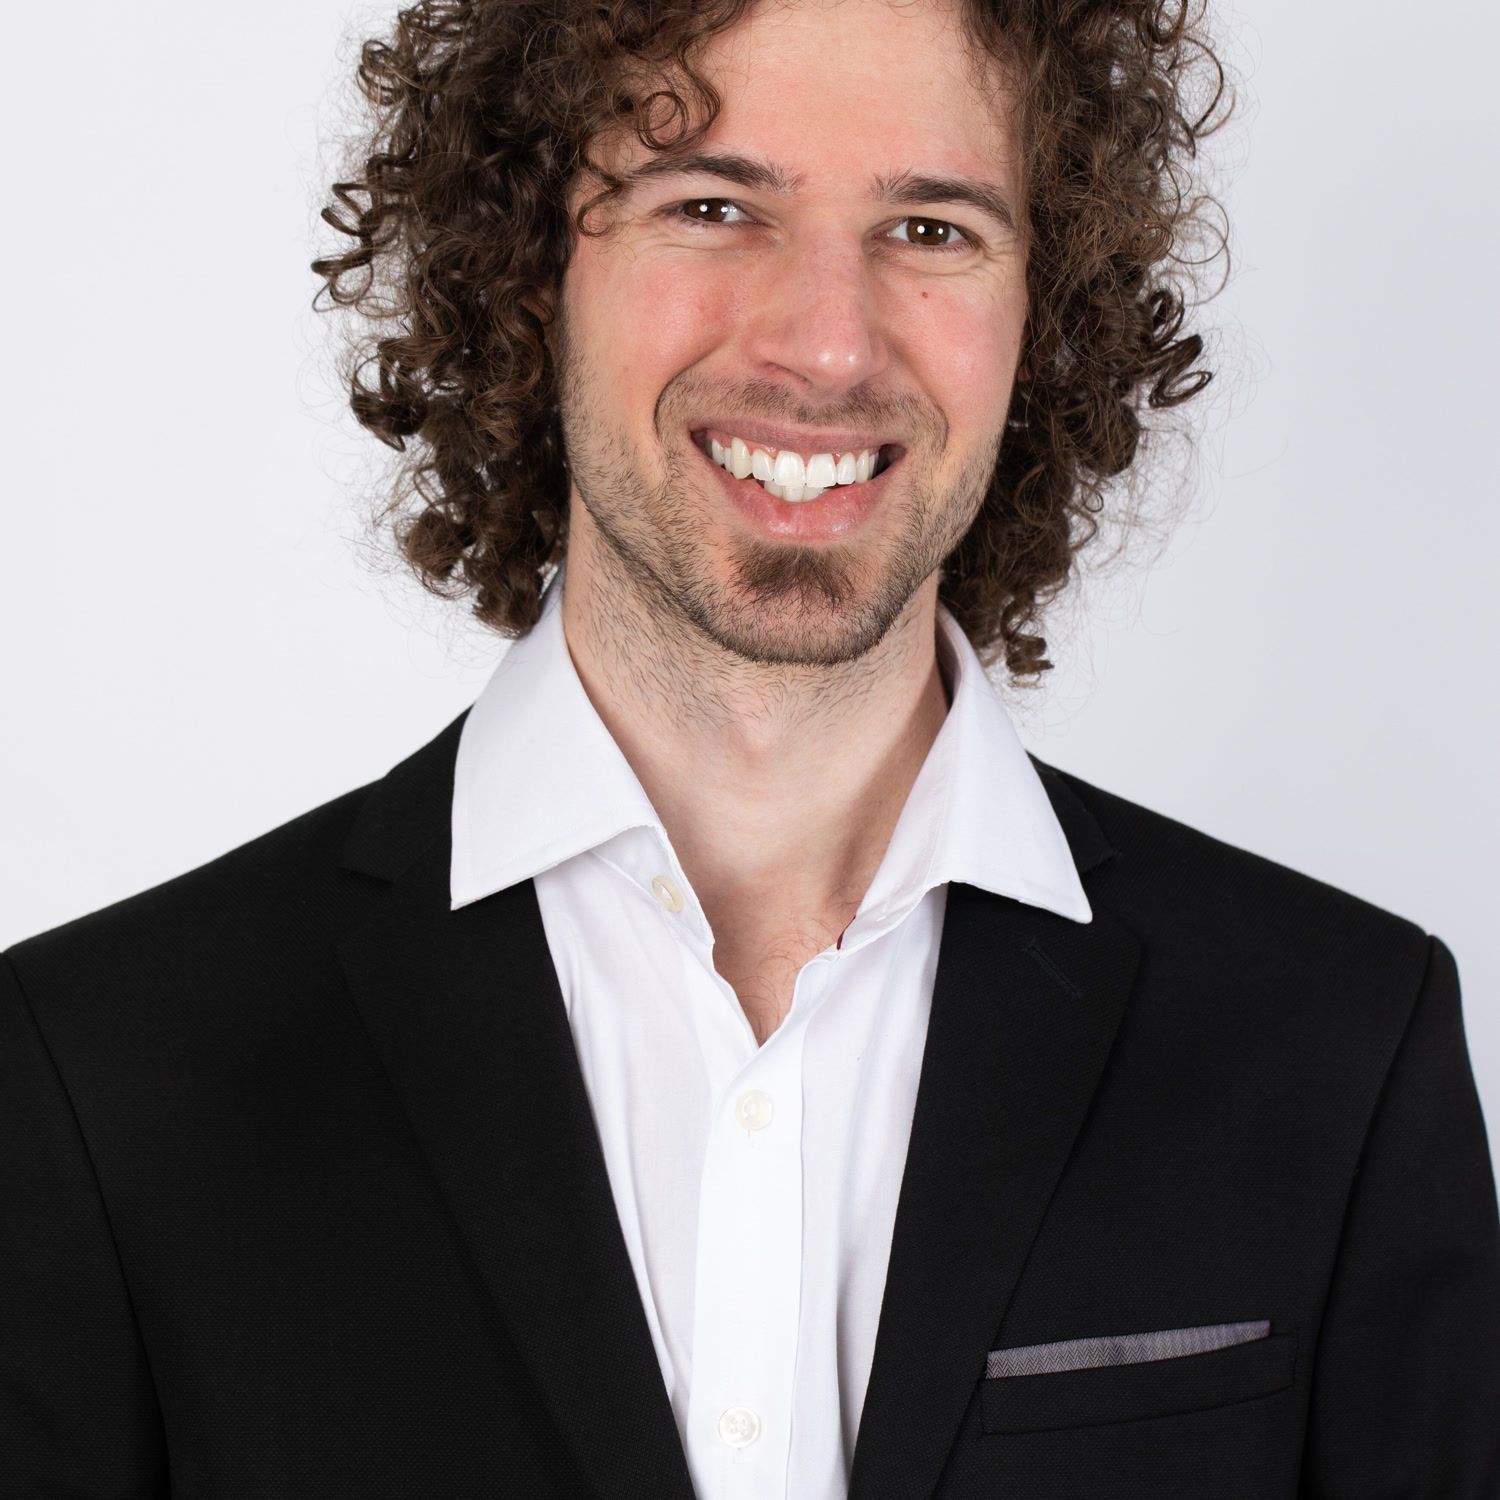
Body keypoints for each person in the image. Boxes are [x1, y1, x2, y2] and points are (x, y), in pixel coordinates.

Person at [3, 0, 1496, 1492]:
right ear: (529, 269)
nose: (827, 343)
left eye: (931, 229)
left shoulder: (1344, 1047)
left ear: (1046, 309)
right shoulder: (100, 1078)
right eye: (712, 206)